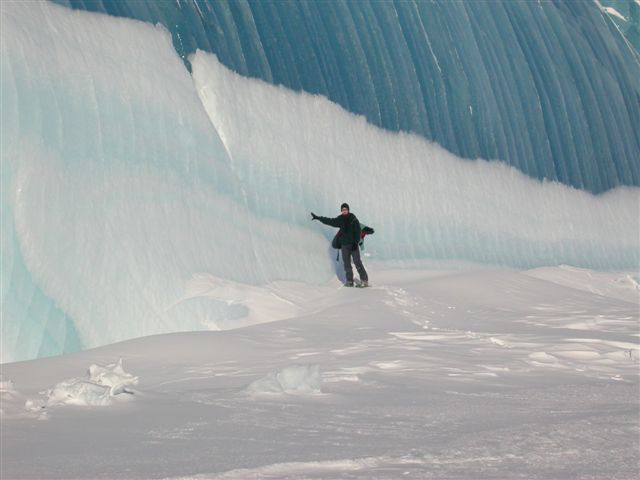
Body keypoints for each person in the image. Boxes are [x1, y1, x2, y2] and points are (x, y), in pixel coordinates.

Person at [311, 203, 369, 287]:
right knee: (347, 263)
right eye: (343, 210)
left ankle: (364, 280)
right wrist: (318, 218)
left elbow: (358, 232)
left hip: (353, 245)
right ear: (341, 211)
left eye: (345, 209)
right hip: (344, 245)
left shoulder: (353, 219)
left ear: (348, 210)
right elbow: (330, 221)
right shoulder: (340, 219)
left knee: (357, 262)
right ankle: (349, 281)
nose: (344, 211)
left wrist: (355, 243)